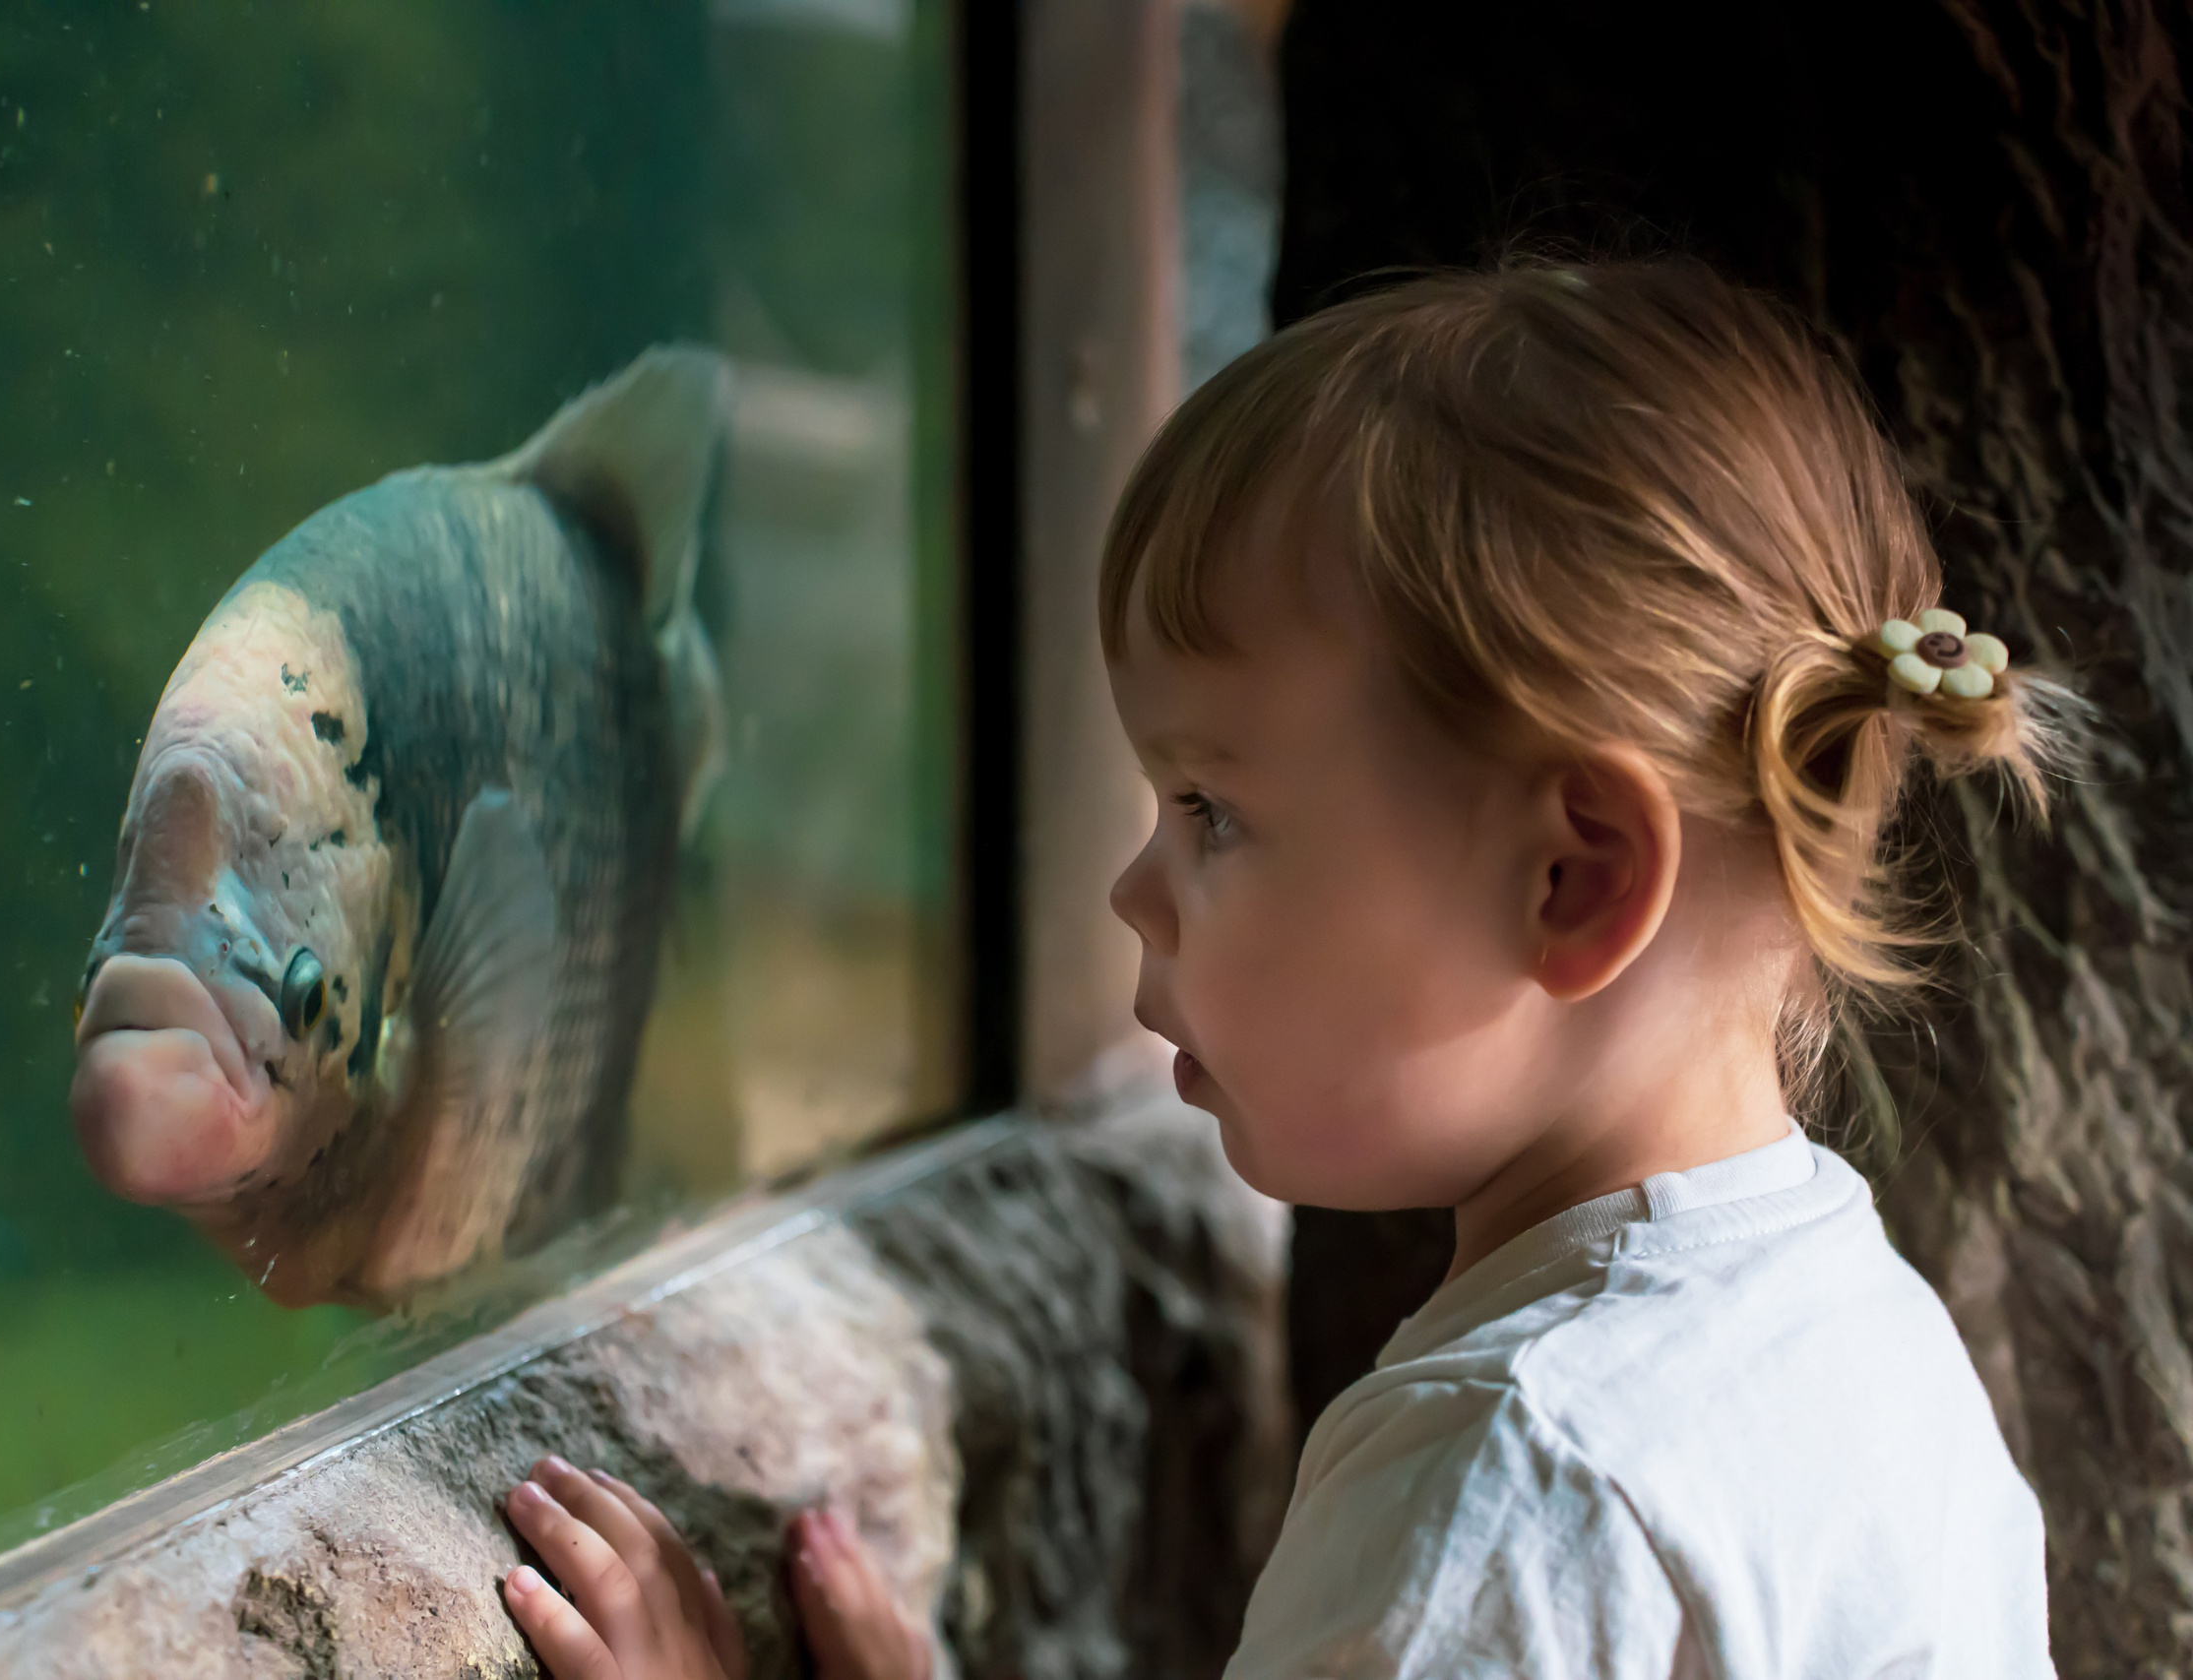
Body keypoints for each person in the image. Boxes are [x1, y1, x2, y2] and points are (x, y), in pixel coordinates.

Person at [487, 257, 2063, 1678]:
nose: (1134, 886)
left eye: (1209, 810)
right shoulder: (1863, 1353)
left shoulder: (1515, 1493)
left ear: (1572, 879)